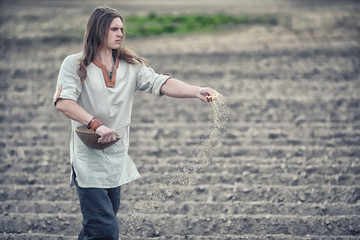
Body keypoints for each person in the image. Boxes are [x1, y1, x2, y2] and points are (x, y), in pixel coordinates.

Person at [53, 6, 218, 240]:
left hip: (116, 158)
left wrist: (196, 91)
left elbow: (160, 83)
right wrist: (95, 124)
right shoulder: (75, 64)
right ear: (98, 31)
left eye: (121, 29)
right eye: (114, 29)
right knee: (104, 231)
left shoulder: (131, 66)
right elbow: (63, 102)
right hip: (88, 161)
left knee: (96, 230)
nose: (120, 34)